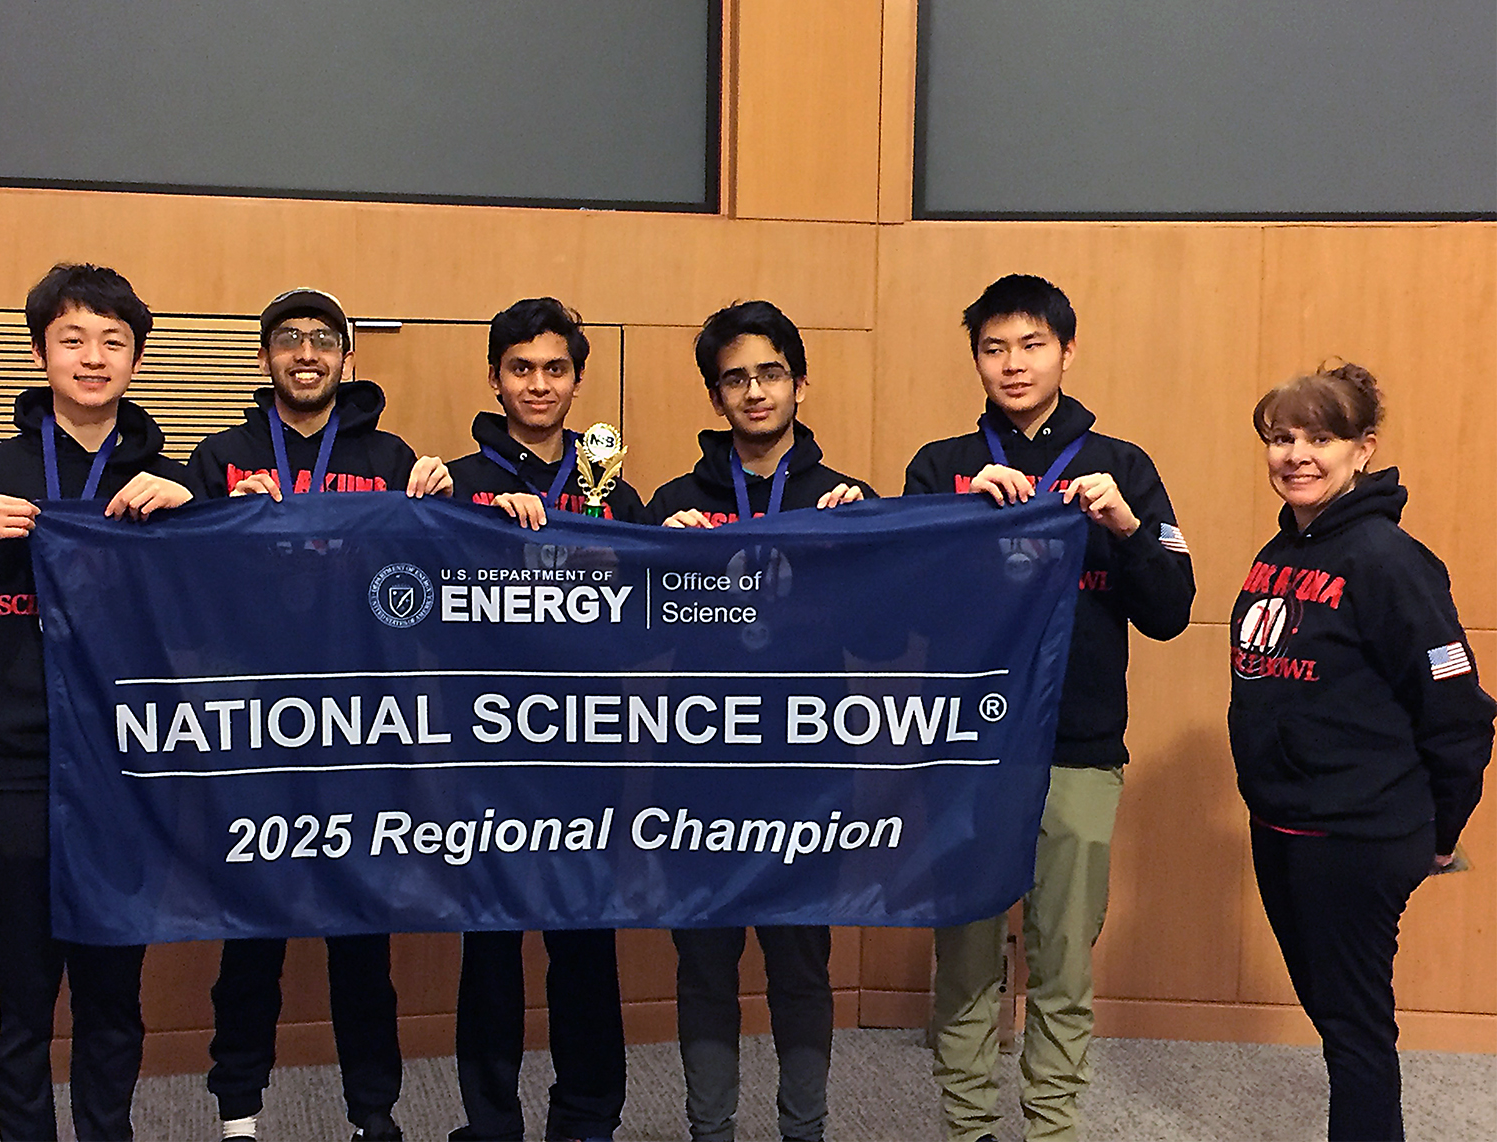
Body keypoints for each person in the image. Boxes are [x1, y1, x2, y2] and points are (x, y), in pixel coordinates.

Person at [0, 263, 193, 1140]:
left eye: (113, 340)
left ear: (136, 357)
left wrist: (194, 522)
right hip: (22, 771)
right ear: (42, 353)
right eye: (73, 339)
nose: (93, 357)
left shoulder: (169, 482)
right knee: (20, 999)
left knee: (113, 996)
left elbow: (227, 628)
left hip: (129, 772)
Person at [905, 274, 1194, 1142]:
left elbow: (1173, 610)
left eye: (1032, 345)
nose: (1013, 364)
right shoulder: (940, 467)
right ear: (976, 361)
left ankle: (1054, 1128)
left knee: (1062, 960)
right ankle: (966, 1128)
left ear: (1068, 351)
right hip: (967, 751)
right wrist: (955, 525)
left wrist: (1125, 529)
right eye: (994, 348)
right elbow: (903, 611)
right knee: (963, 963)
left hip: (1078, 749)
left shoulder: (1126, 467)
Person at [185, 287, 451, 1142]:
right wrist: (222, 519)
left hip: (361, 731)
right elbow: (180, 589)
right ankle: (239, 1116)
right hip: (253, 732)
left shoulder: (392, 456)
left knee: (360, 942)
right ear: (266, 357)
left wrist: (438, 503)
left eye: (323, 339)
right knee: (250, 935)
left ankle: (373, 1116)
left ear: (348, 356)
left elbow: (428, 591)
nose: (306, 353)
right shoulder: (218, 457)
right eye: (289, 339)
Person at [1229, 363, 1493, 1141]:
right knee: (1333, 1012)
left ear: (1362, 449)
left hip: (1356, 833)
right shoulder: (1280, 553)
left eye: (1321, 437)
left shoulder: (1387, 560)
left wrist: (1440, 831)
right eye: (1281, 438)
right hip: (1281, 824)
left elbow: (1457, 712)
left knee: (1355, 1032)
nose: (1296, 454)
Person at [648, 300, 873, 1142]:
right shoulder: (672, 501)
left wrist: (855, 547)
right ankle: (711, 1130)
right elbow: (632, 643)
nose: (753, 391)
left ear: (800, 383)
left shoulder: (848, 499)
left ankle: (802, 1130)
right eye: (735, 378)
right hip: (698, 771)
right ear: (716, 397)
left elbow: (884, 635)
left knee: (799, 966)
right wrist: (659, 562)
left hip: (806, 770)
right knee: (704, 965)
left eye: (770, 373)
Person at [443, 297, 641, 1142]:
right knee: (488, 956)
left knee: (586, 953)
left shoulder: (615, 491)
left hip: (586, 755)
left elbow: (654, 619)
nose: (538, 384)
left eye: (555, 369)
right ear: (494, 377)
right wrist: (476, 531)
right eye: (520, 368)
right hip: (485, 752)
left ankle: (588, 1120)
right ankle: (491, 1125)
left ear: (578, 380)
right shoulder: (454, 486)